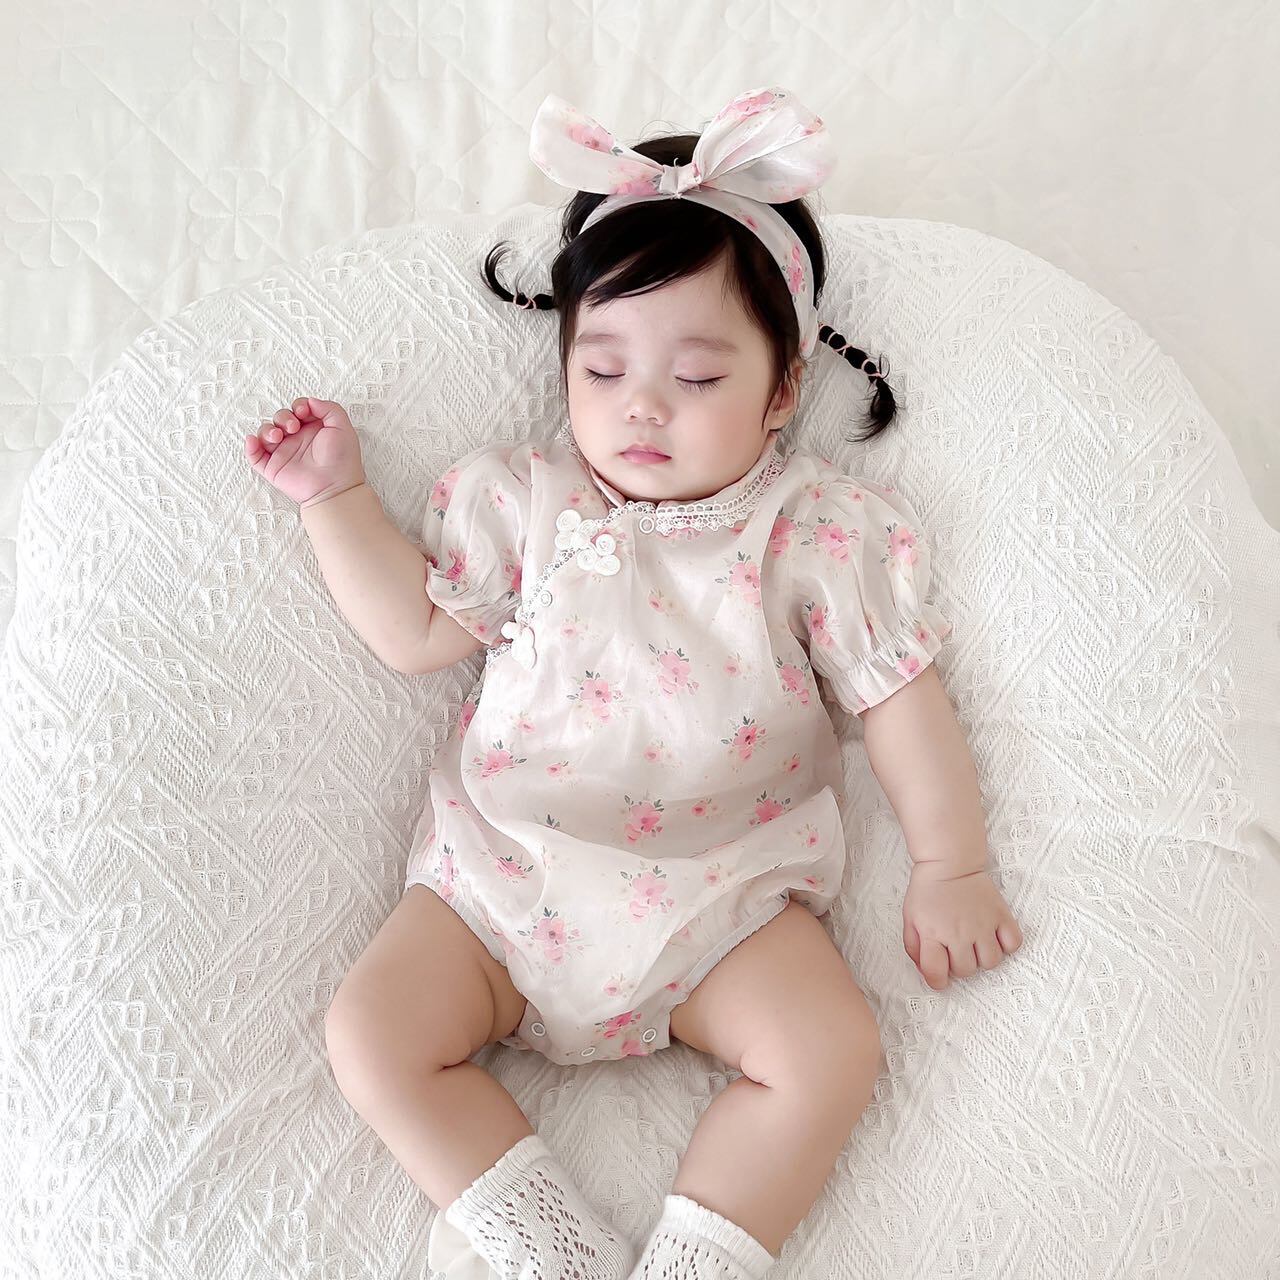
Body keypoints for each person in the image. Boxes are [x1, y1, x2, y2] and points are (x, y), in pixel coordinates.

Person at [244, 87, 1024, 1280]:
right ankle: (548, 1247)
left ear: (780, 389)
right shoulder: (523, 502)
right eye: (601, 369)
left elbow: (898, 698)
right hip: (500, 886)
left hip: (722, 900)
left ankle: (695, 1262)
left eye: (697, 378)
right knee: (371, 1032)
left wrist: (949, 862)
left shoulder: (811, 530)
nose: (641, 405)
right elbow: (413, 631)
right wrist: (332, 497)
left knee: (828, 1048)